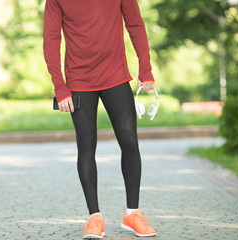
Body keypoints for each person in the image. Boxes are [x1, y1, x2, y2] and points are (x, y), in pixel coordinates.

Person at [43, 0, 157, 238]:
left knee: (129, 142)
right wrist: (60, 86)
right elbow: (51, 40)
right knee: (86, 147)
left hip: (116, 76)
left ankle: (132, 214)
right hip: (78, 81)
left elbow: (135, 25)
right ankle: (95, 218)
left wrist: (145, 68)